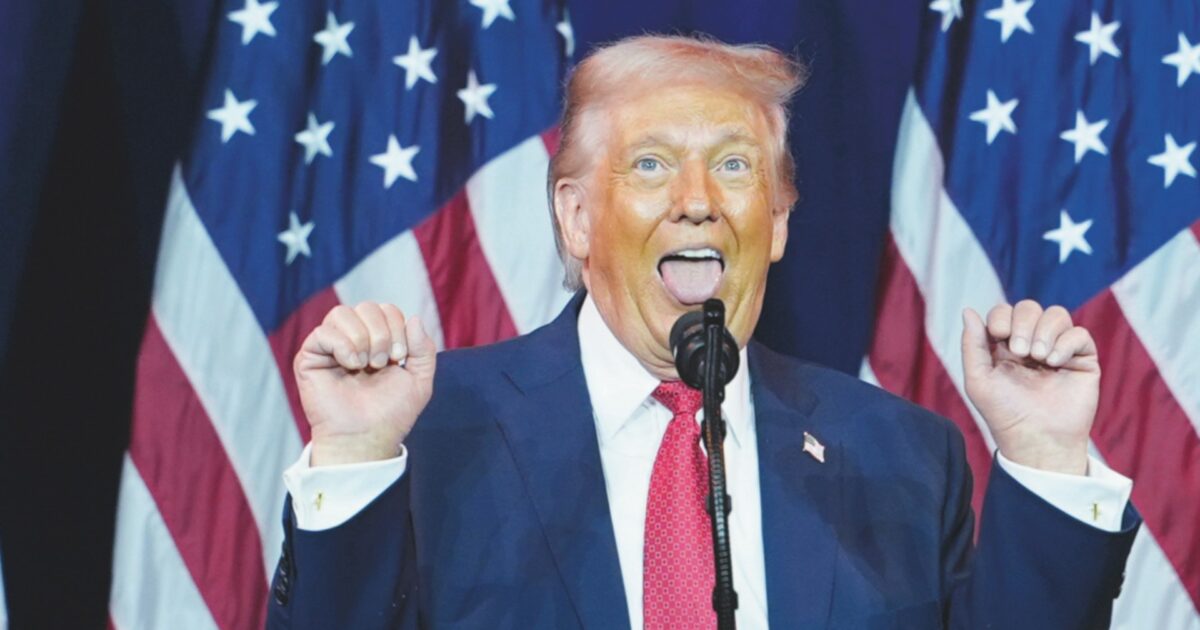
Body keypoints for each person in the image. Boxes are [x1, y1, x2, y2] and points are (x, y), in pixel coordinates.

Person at [266, 35, 1139, 629]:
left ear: (779, 219)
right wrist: (356, 457)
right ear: (576, 217)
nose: (697, 200)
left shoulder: (902, 455)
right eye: (651, 164)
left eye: (734, 165)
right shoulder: (430, 436)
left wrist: (1046, 458)